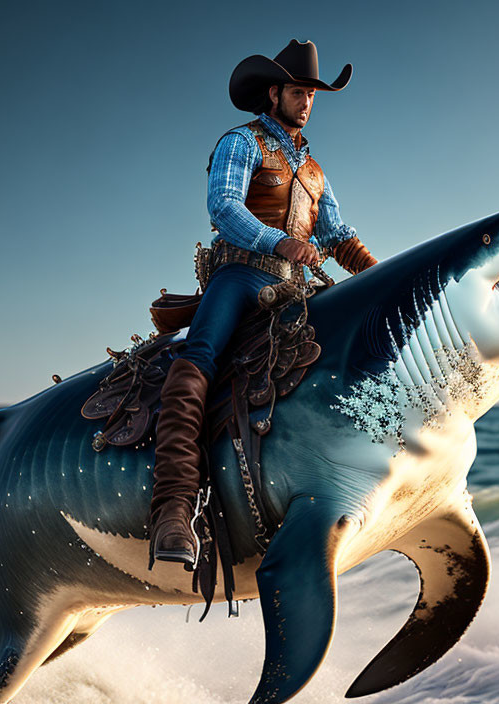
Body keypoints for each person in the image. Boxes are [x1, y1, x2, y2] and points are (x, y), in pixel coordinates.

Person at [149, 39, 379, 567]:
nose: (307, 103)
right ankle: (173, 510)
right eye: (299, 92)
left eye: (313, 95)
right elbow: (224, 205)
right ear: (274, 93)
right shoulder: (242, 142)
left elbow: (338, 235)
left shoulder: (317, 171)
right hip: (241, 276)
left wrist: (380, 274)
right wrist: (279, 243)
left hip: (295, 288)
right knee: (198, 359)